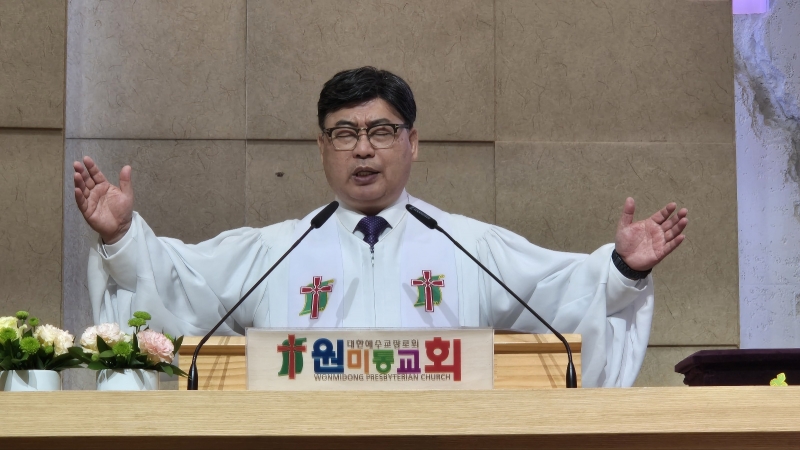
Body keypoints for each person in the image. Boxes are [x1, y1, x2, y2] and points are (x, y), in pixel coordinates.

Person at [73, 67, 688, 387]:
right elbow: (180, 283)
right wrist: (122, 239)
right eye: (344, 133)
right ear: (322, 148)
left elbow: (561, 293)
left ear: (412, 143)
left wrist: (621, 269)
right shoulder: (275, 250)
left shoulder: (468, 245)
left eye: (382, 131)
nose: (363, 149)